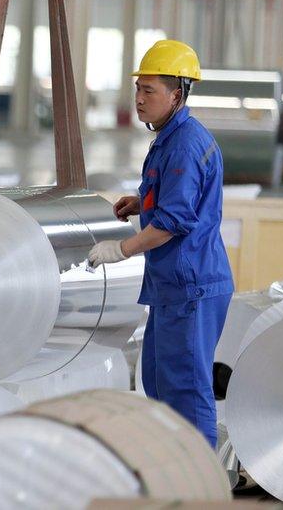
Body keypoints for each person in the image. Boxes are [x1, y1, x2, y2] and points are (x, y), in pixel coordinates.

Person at [88, 39, 233, 447]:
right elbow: (173, 199)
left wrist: (121, 249)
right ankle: (177, 470)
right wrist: (141, 203)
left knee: (186, 390)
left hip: (192, 288)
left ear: (177, 94)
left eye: (149, 90)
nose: (139, 98)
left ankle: (200, 487)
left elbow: (174, 221)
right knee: (158, 383)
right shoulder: (169, 138)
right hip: (172, 288)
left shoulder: (185, 142)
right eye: (138, 88)